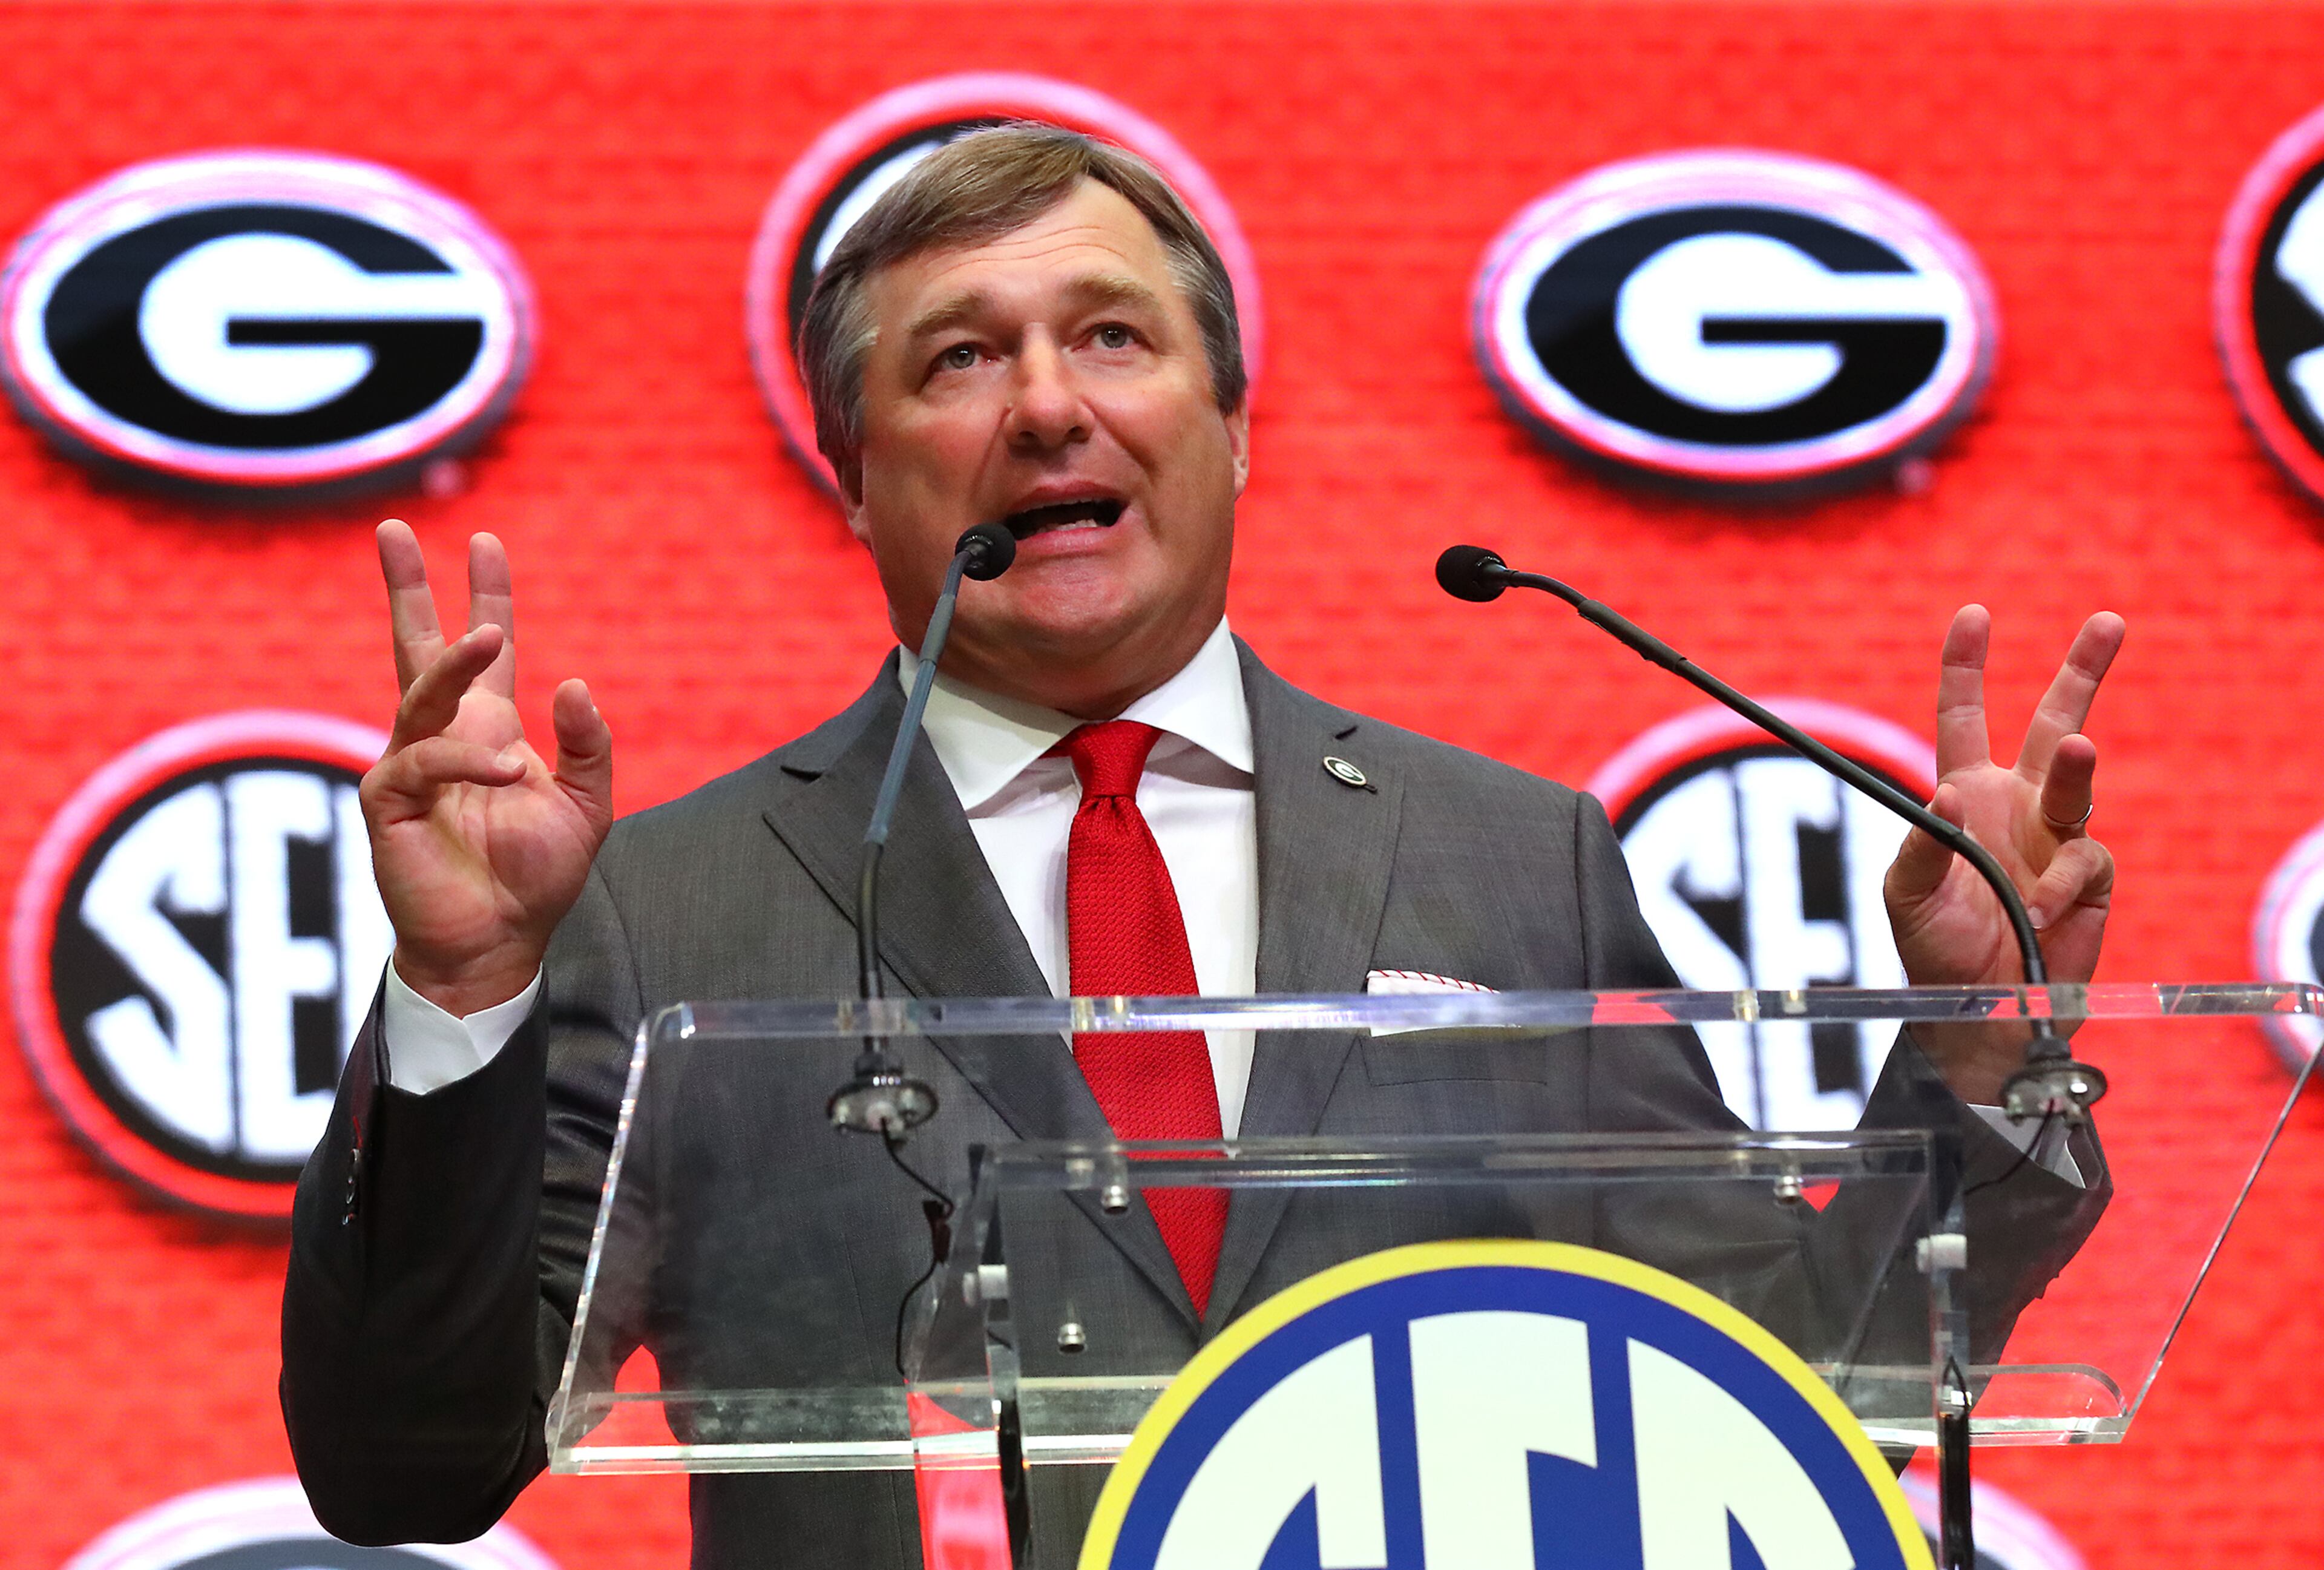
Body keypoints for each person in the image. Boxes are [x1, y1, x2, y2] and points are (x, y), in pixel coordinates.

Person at [281, 125, 2122, 1568]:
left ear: (1229, 427)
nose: (1048, 404)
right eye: (958, 359)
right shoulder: (670, 910)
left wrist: (1972, 1048)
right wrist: (463, 995)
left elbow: (1780, 1371)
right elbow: (410, 1464)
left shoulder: (1515, 864)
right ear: (854, 472)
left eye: (1109, 336)